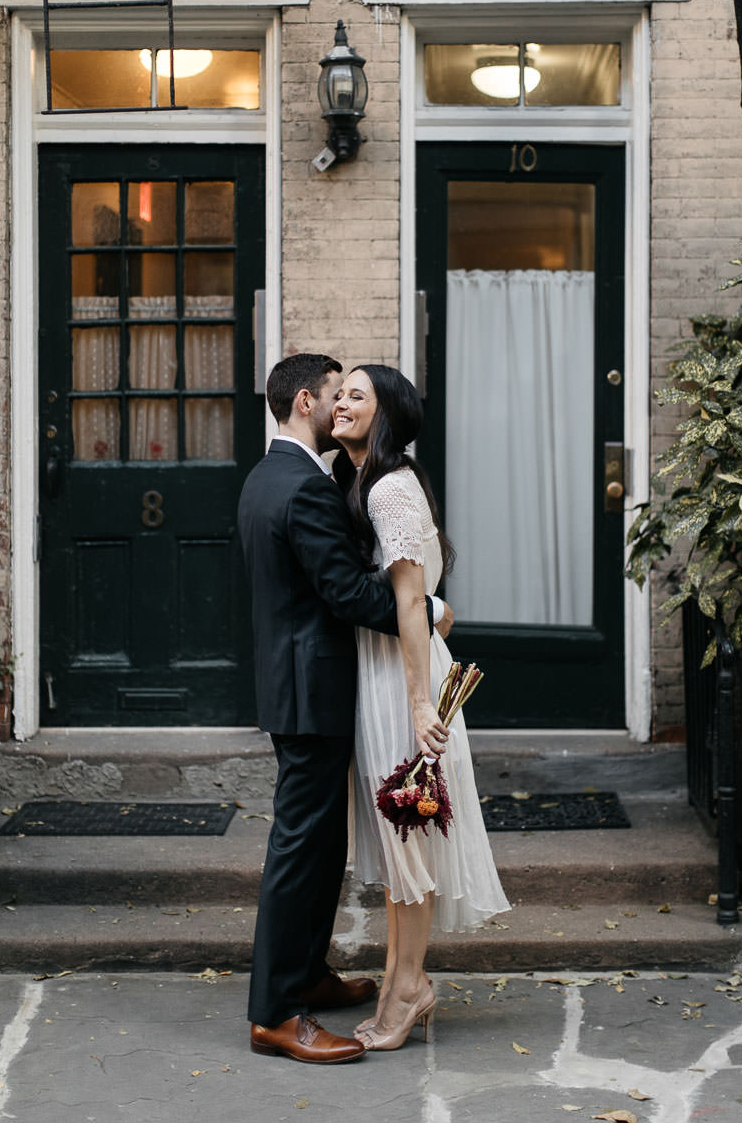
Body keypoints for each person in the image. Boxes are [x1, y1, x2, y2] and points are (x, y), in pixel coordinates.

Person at [236, 353, 453, 1065]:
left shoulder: (269, 477)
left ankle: (308, 977)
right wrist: (430, 609)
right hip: (313, 690)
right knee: (300, 850)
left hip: (299, 685)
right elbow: (347, 593)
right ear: (307, 401)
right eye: (335, 394)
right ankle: (275, 1012)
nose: (340, 407)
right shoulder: (304, 487)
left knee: (322, 844)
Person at [328, 364, 510, 1051]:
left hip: (399, 678)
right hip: (386, 668)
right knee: (401, 834)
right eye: (339, 392)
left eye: (356, 395)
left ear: (387, 418)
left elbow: (410, 599)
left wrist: (414, 704)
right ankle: (397, 979)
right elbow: (426, 602)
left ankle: (409, 986)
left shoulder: (389, 489)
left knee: (409, 836)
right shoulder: (369, 482)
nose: (341, 402)